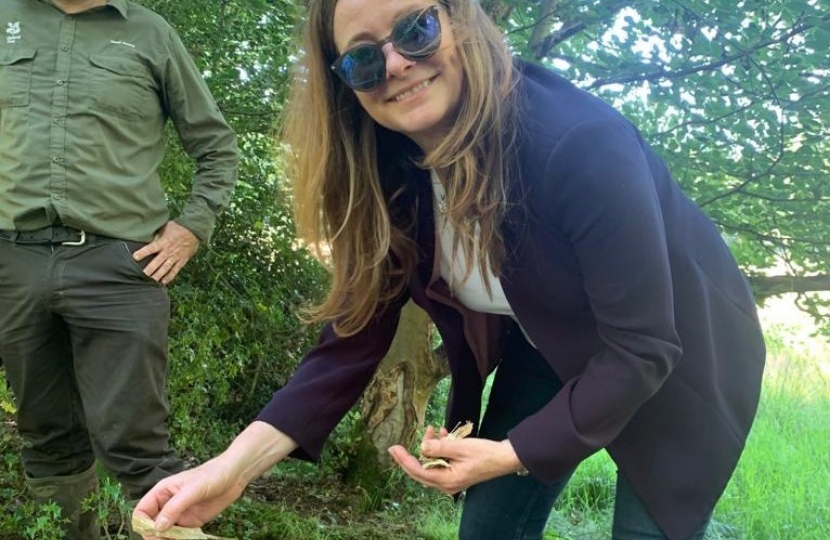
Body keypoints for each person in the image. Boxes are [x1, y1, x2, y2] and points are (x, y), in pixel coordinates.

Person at [133, 0, 766, 539]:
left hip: (677, 353)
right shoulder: (392, 169)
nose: (397, 65)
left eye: (415, 29)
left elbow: (643, 347)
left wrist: (513, 452)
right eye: (362, 59)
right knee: (489, 527)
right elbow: (353, 336)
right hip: (549, 341)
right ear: (344, 84)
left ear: (459, 20)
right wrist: (232, 468)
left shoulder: (578, 144)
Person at [0, 0, 239, 538]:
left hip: (119, 265)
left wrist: (191, 226)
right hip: (11, 262)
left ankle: (172, 528)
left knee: (139, 445)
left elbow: (217, 147)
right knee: (46, 435)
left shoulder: (151, 35)